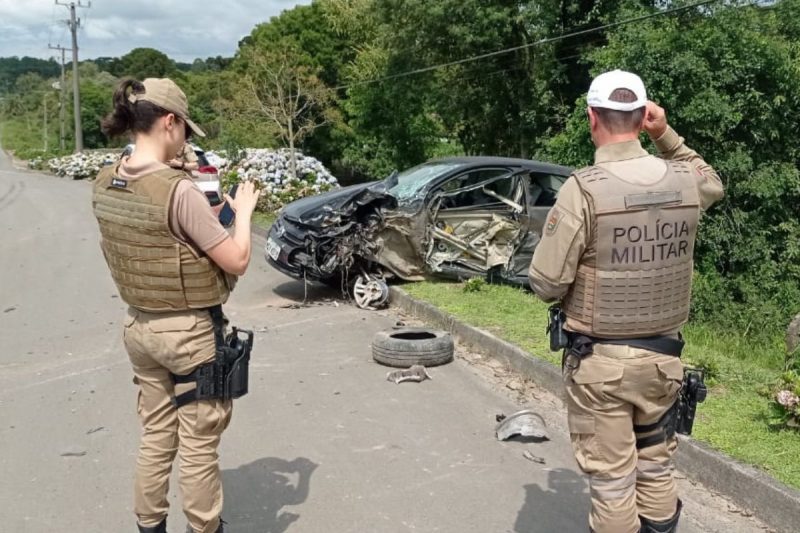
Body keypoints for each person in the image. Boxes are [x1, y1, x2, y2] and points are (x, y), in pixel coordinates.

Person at [528, 70, 723, 533]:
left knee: (614, 483)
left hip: (601, 367)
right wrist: (665, 135)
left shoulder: (584, 188)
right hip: (664, 362)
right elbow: (713, 182)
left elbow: (547, 282)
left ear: (592, 118)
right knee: (655, 467)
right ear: (643, 117)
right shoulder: (685, 179)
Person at [93, 77, 260, 533]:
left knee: (155, 435)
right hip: (188, 335)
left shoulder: (108, 179)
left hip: (139, 328)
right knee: (199, 443)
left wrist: (190, 186)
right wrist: (244, 213)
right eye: (184, 127)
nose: (185, 138)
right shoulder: (179, 191)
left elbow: (157, 231)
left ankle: (149, 525)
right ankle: (204, 527)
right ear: (169, 122)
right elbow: (237, 260)